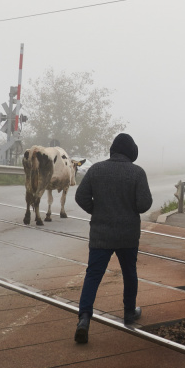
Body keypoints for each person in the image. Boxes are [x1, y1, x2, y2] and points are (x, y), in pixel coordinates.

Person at [73, 133, 153, 343]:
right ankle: (128, 313)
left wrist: (97, 211)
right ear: (130, 152)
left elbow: (80, 196)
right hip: (128, 235)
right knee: (129, 273)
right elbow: (144, 204)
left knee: (93, 274)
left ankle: (84, 318)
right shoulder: (137, 173)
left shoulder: (96, 169)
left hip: (101, 235)